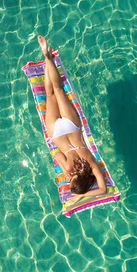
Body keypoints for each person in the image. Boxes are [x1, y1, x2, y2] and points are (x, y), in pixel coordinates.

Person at [37, 35, 106, 199]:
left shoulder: (91, 165)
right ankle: (47, 57)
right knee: (50, 94)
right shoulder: (68, 169)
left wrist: (84, 193)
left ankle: (48, 57)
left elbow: (103, 190)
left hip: (72, 127)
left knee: (58, 90)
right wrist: (79, 195)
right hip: (57, 133)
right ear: (76, 180)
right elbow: (57, 155)